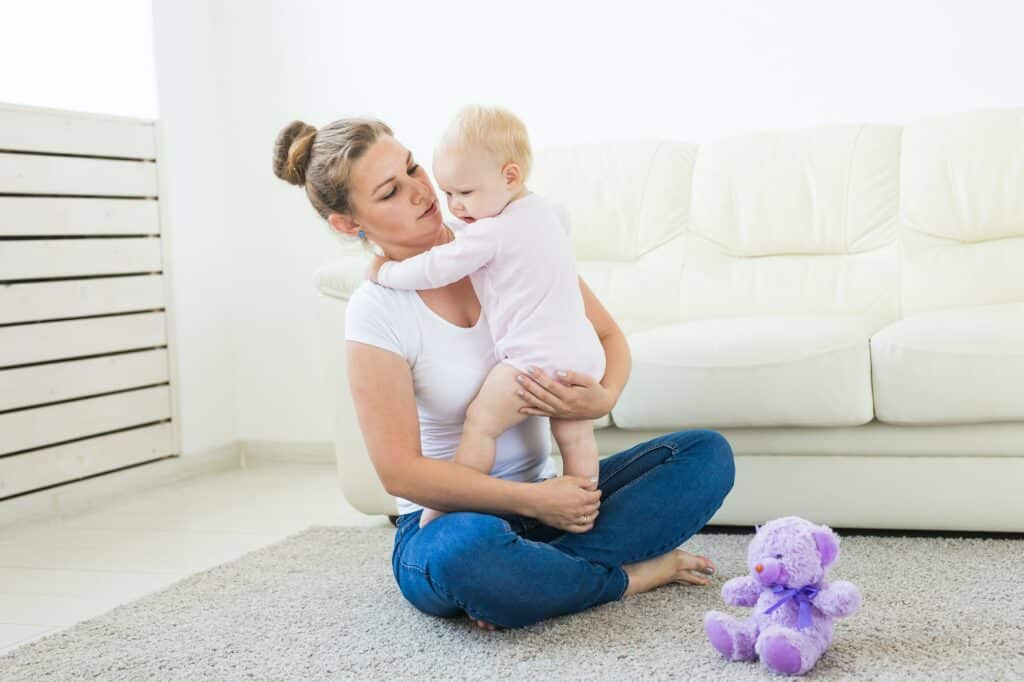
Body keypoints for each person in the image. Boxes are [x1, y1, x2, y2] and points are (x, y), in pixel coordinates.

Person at [272, 116, 736, 630]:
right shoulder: (376, 309)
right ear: (347, 223)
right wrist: (534, 501)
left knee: (704, 455)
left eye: (412, 167)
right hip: (452, 522)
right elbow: (400, 473)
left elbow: (609, 339)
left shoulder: (506, 237)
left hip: (555, 507)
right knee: (464, 554)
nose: (421, 191)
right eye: (389, 192)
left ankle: (533, 580)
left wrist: (601, 400)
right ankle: (627, 577)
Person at [368, 105, 604, 528]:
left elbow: (437, 266)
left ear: (510, 177)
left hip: (534, 364)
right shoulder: (549, 214)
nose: (455, 206)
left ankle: (446, 506)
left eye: (465, 193)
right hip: (582, 356)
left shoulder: (488, 233)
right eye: (449, 194)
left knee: (480, 424)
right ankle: (585, 512)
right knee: (574, 435)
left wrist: (387, 272)